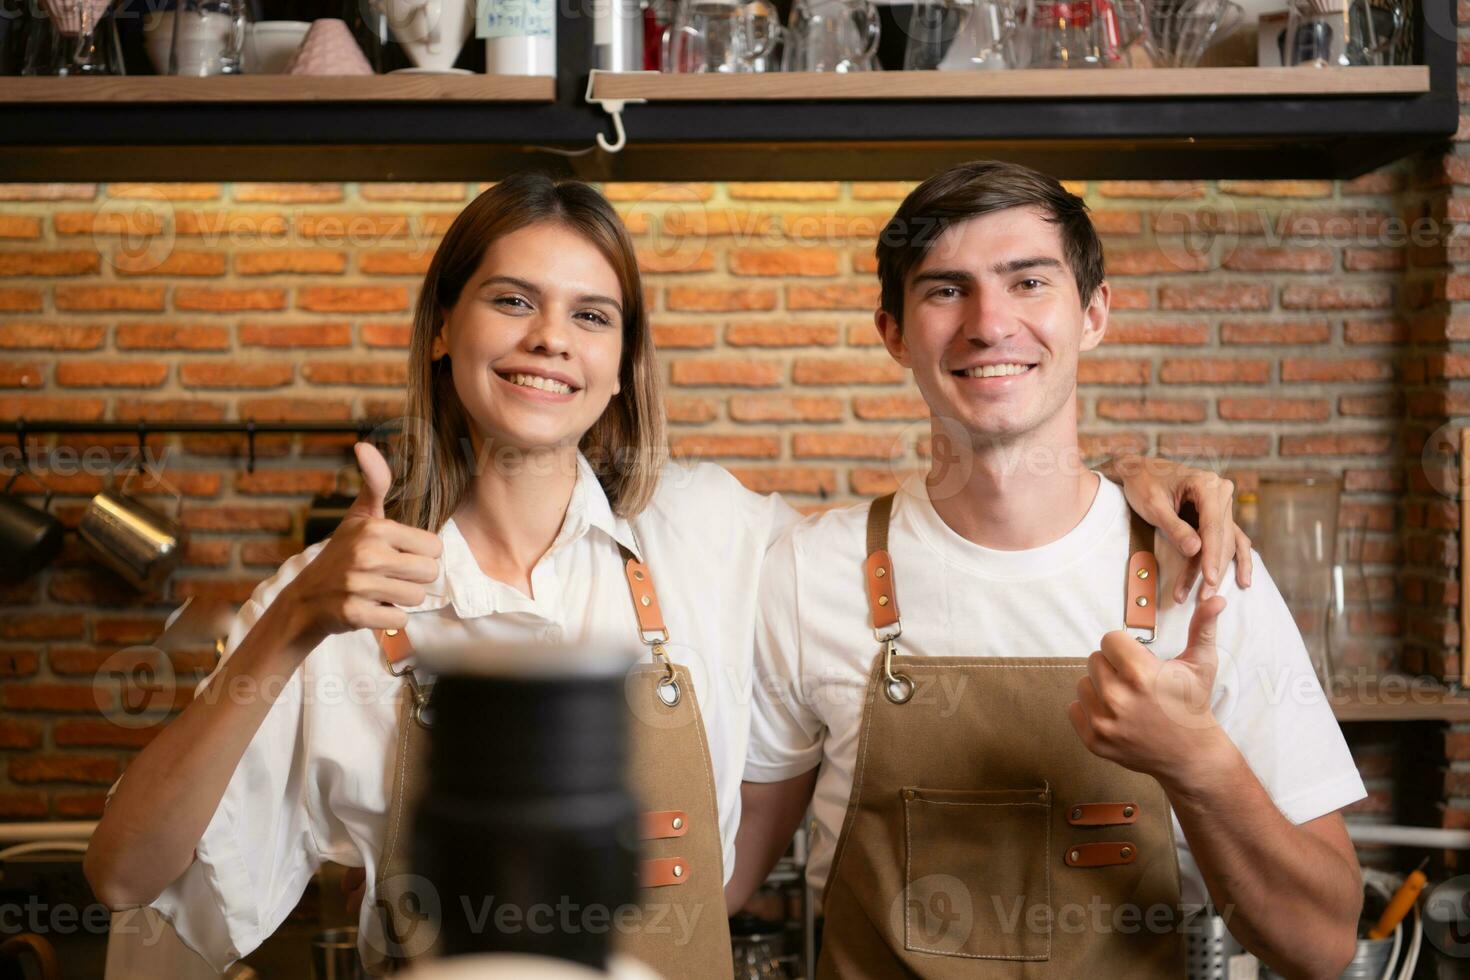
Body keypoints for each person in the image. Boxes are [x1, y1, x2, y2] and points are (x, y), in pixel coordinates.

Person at [83, 172, 1246, 977]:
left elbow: (974, 513)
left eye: (591, 314)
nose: (551, 338)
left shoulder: (707, 533)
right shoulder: (331, 594)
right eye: (511, 300)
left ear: (621, 359)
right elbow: (125, 870)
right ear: (443, 327)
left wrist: (1129, 477)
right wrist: (291, 619)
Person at [732, 160, 1366, 979]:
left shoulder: (1200, 574)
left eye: (1028, 281)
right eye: (945, 290)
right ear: (893, 333)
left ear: (1092, 314)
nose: (990, 323)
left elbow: (1321, 946)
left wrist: (1197, 760)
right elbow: (723, 877)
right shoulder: (809, 570)